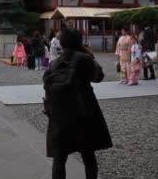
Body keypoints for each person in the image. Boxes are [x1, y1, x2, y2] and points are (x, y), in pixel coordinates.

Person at [43, 29, 112, 179]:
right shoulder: (84, 59)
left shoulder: (54, 63)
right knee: (88, 155)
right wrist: (88, 54)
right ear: (79, 41)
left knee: (59, 159)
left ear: (62, 42)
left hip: (60, 116)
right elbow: (98, 76)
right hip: (82, 114)